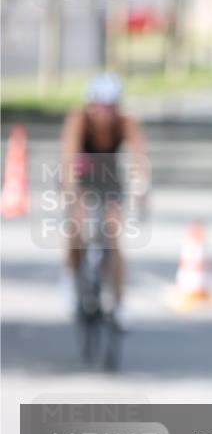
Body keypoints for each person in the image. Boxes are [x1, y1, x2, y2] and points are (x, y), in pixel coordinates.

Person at [60, 73, 147, 322]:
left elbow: (140, 157)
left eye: (110, 107)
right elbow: (68, 158)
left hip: (109, 177)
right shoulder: (78, 120)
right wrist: (70, 190)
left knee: (114, 236)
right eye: (99, 106)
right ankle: (71, 275)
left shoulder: (126, 122)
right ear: (90, 105)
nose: (104, 114)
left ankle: (119, 302)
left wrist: (141, 185)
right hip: (81, 173)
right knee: (77, 224)